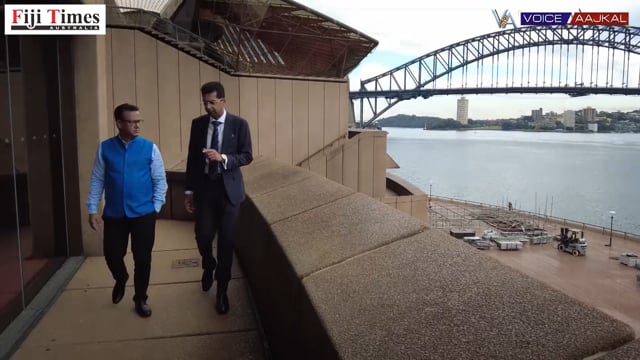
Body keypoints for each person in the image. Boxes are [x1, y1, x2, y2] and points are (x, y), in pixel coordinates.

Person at [87, 103, 168, 318]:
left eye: (138, 121)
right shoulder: (105, 148)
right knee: (112, 255)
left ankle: (140, 298)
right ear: (119, 123)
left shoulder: (149, 148)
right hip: (114, 214)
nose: (136, 126)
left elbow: (160, 180)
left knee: (143, 259)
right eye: (131, 122)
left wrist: (155, 207)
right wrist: (92, 208)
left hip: (143, 214)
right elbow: (97, 179)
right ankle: (121, 278)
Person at [184, 81, 253, 315]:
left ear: (223, 100)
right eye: (205, 103)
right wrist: (189, 191)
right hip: (205, 190)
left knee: (226, 243)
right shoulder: (198, 125)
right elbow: (192, 160)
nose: (208, 107)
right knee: (202, 236)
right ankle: (208, 263)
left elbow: (246, 156)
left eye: (212, 102)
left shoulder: (239, 125)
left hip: (229, 193)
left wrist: (223, 157)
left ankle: (222, 291)